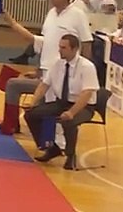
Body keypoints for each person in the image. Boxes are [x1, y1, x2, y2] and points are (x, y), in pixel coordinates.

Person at [0, 0, 93, 135]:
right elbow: (44, 43)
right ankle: (12, 125)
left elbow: (87, 42)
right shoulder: (51, 14)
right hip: (46, 73)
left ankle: (53, 137)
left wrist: (82, 70)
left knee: (50, 108)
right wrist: (38, 70)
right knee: (13, 85)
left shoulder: (78, 14)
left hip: (64, 74)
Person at [24, 34, 99, 170]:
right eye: (59, 47)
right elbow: (44, 85)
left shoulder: (87, 67)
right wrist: (33, 102)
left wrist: (71, 112)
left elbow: (87, 94)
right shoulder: (57, 63)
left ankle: (70, 155)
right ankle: (50, 147)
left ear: (74, 49)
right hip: (61, 103)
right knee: (31, 114)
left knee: (68, 121)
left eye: (63, 48)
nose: (59, 50)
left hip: (83, 106)